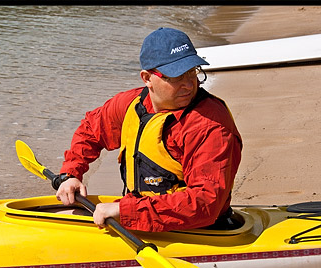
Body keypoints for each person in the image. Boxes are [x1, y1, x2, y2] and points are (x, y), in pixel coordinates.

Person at [55, 27, 242, 232]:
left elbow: (205, 202)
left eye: (192, 71)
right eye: (176, 76)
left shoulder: (209, 125)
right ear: (147, 78)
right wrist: (70, 174)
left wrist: (126, 212)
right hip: (142, 212)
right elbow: (91, 129)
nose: (189, 84)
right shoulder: (130, 104)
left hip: (198, 228)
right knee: (61, 217)